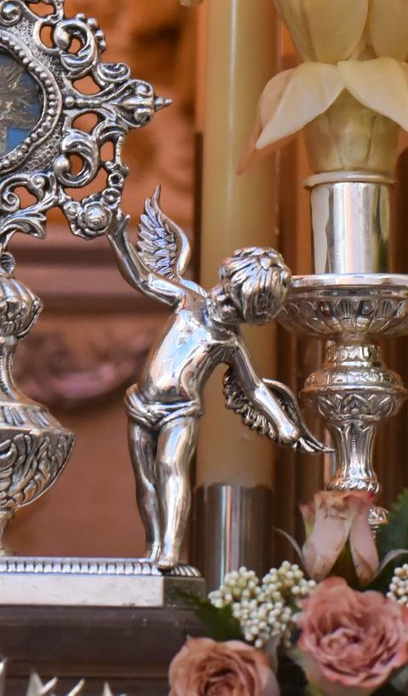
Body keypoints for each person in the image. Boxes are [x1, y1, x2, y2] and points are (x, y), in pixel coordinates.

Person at [109, 193, 324, 568]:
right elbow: (143, 278)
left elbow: (254, 387)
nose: (220, 303)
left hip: (181, 413)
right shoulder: (189, 298)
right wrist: (116, 237)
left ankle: (170, 550)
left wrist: (283, 422)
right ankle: (153, 546)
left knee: (171, 468)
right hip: (141, 403)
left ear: (249, 313)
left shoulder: (229, 342)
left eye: (232, 305)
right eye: (224, 292)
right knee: (146, 483)